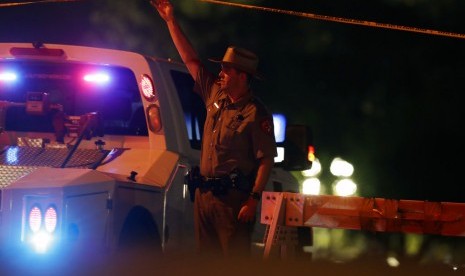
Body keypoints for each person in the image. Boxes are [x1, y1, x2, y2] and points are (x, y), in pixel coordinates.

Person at [151, 0, 277, 258]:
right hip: (205, 198)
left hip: (232, 202)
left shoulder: (256, 113)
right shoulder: (215, 94)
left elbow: (266, 161)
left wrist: (253, 199)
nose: (220, 73)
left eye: (227, 69)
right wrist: (170, 21)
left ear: (243, 76)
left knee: (231, 266)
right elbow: (190, 59)